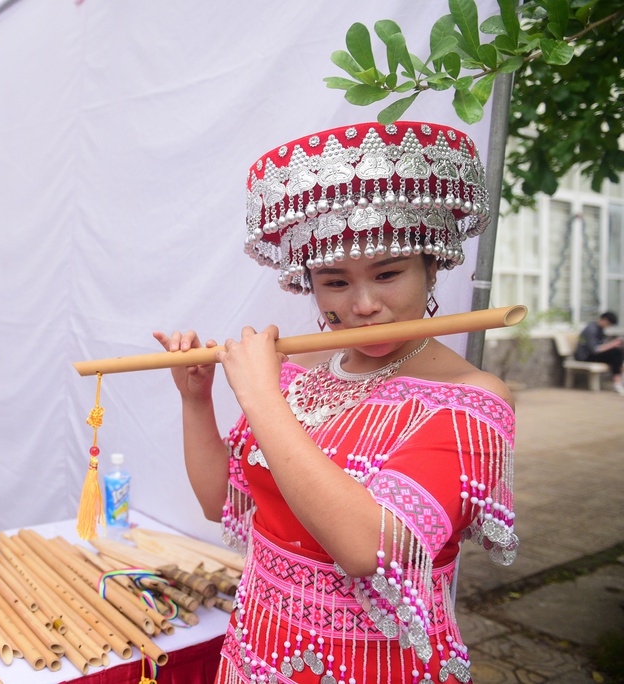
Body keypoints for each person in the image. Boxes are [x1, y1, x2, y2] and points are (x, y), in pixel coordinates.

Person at [155, 122, 517, 683]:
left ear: (432, 267)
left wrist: (259, 397)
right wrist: (197, 398)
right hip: (257, 647)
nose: (365, 304)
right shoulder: (299, 376)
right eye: (335, 282)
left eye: (389, 273)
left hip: (376, 666)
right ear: (311, 287)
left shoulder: (471, 404)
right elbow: (219, 502)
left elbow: (365, 548)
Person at [574, 311, 623, 393]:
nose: (608, 326)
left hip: (593, 355)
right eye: (609, 324)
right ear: (605, 320)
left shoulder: (600, 329)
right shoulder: (591, 329)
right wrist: (612, 344)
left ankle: (619, 379)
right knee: (615, 353)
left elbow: (602, 344)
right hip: (585, 356)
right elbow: (595, 350)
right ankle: (617, 382)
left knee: (618, 352)